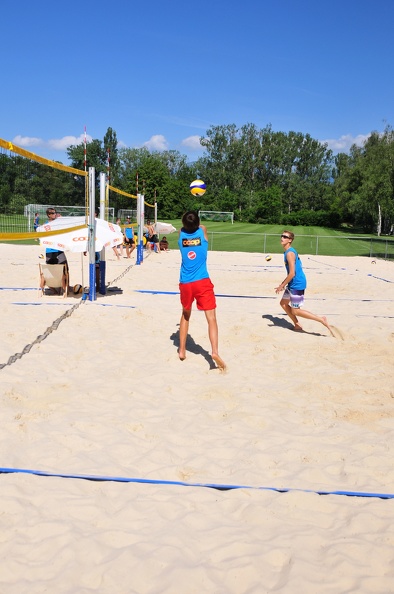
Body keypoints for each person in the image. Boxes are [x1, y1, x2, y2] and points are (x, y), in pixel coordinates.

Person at [177, 210, 226, 370]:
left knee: (185, 314)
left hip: (186, 282)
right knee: (211, 318)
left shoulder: (181, 235)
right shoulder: (202, 231)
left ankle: (182, 350)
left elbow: (186, 227)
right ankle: (215, 351)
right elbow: (201, 226)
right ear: (197, 224)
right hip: (202, 281)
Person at [274, 230, 334, 336]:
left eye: (285, 236)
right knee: (283, 304)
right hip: (293, 283)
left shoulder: (290, 253)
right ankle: (297, 325)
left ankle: (321, 319)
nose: (282, 238)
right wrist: (282, 285)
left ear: (290, 240)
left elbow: (292, 273)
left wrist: (282, 285)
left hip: (297, 283)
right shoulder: (287, 252)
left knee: (295, 311)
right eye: (281, 236)